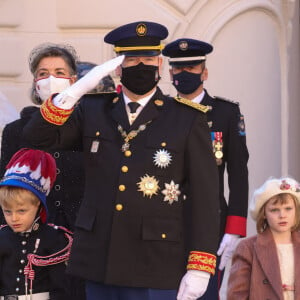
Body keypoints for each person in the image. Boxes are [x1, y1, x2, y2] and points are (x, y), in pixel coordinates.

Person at [22, 21, 220, 300]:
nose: (141, 65)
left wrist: (200, 265)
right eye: (131, 59)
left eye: (148, 59)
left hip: (155, 260)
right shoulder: (93, 110)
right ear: (117, 67)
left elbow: (205, 198)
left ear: (160, 64)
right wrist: (71, 94)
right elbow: (35, 138)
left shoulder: (187, 118)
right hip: (99, 259)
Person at [162, 38, 249, 299]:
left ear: (205, 72)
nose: (185, 73)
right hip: (166, 220)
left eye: (192, 68)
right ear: (170, 73)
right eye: (179, 69)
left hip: (211, 222)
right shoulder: (162, 112)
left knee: (204, 293)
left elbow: (238, 171)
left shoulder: (226, 113)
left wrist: (234, 226)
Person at [0, 43, 87, 300]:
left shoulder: (88, 125)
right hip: (32, 241)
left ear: (73, 79)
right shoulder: (17, 130)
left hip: (82, 240)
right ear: (35, 83)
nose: (51, 79)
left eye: (60, 72)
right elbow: (5, 188)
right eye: (43, 73)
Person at [0, 148, 73, 300]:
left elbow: (61, 290)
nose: (14, 218)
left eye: (21, 211)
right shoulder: (2, 237)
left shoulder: (54, 239)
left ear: (39, 206)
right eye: (7, 212)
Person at [227, 176, 300, 299]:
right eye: (274, 210)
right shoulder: (247, 248)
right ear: (264, 213)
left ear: (296, 210)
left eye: (288, 209)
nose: (282, 215)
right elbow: (236, 295)